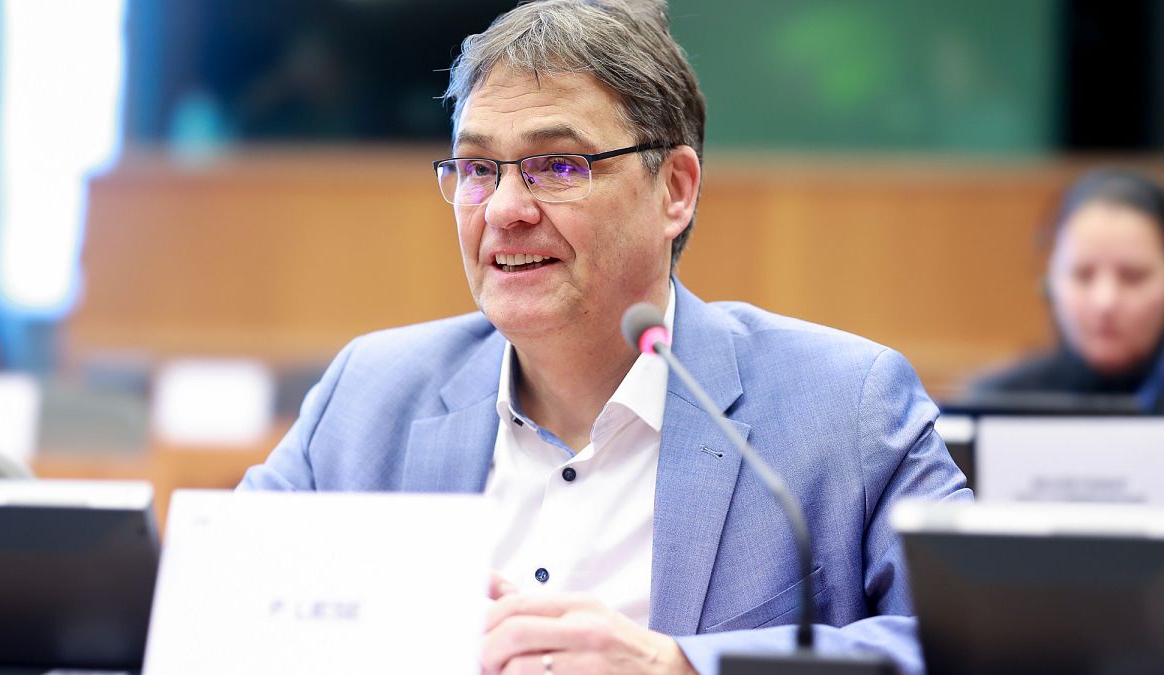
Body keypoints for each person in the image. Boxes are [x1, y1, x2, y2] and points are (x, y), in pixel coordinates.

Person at [239, 1, 970, 673]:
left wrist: (678, 666)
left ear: (675, 189)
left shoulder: (845, 406)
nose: (504, 209)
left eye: (557, 165)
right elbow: (215, 604)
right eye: (478, 168)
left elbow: (975, 643)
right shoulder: (368, 395)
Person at [969, 169, 1164, 413]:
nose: (1105, 301)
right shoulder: (994, 404)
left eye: (1133, 277)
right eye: (1083, 275)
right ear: (1048, 283)